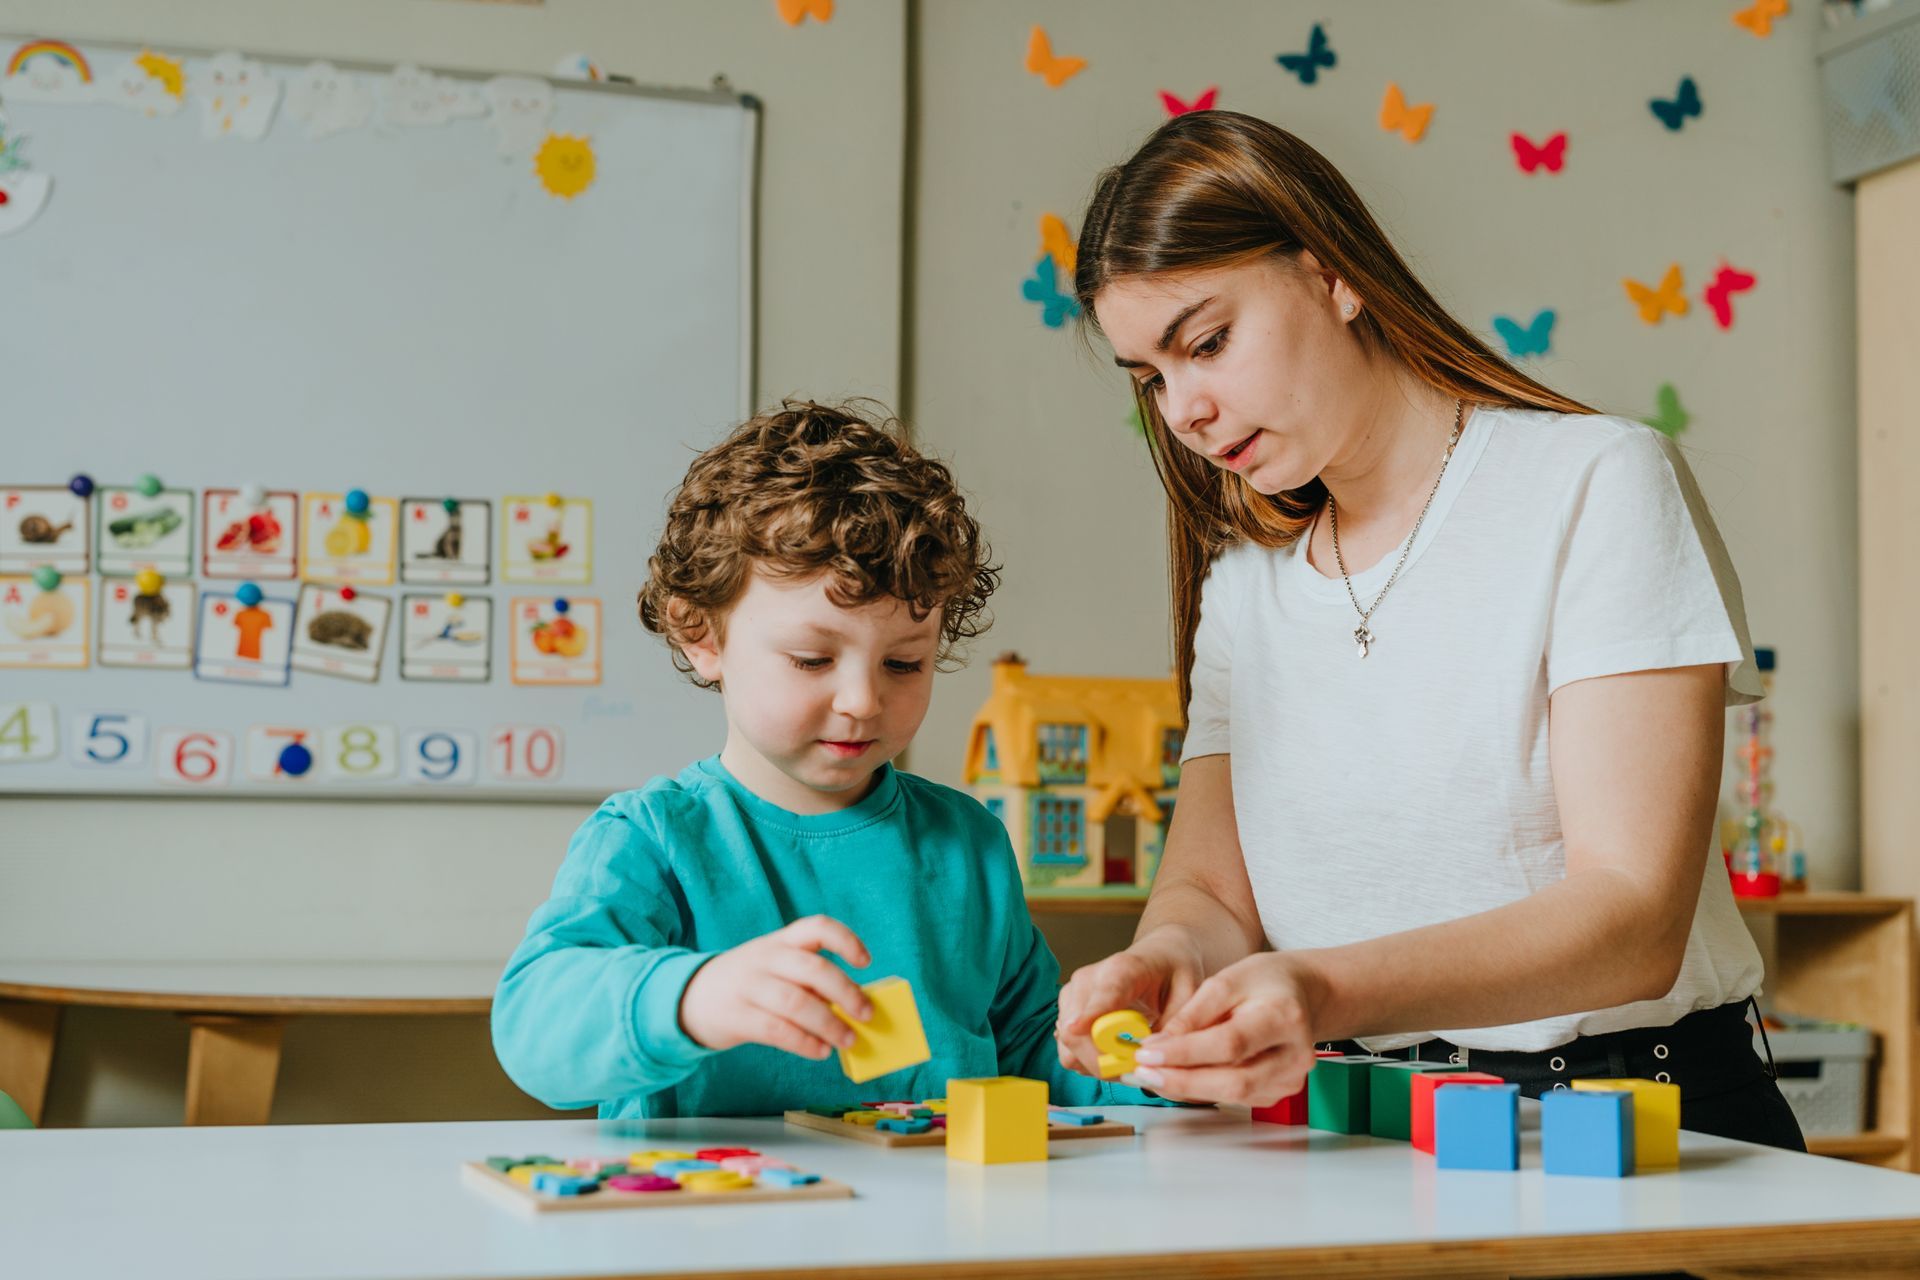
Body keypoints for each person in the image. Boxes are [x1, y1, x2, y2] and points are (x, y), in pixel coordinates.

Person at [1052, 111, 1802, 1151]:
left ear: (1334, 276)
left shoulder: (1596, 481)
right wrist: (1170, 954)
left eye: (1208, 341)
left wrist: (1321, 989)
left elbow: (1634, 918)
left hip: (1624, 1127)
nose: (1185, 408)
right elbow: (1212, 889)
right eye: (1153, 377)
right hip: (1354, 1137)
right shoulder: (1245, 584)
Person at [493, 400, 1156, 1118]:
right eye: (812, 659)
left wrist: (1152, 1070)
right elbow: (534, 1027)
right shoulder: (652, 837)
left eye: (904, 663)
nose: (863, 700)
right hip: (713, 1225)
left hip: (939, 1225)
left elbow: (1030, 1052)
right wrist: (692, 996)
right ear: (701, 634)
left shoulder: (967, 841)